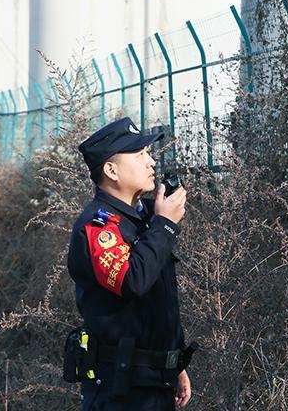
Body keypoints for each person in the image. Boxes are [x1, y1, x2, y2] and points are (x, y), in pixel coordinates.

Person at [66, 117, 195, 410]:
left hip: (154, 382)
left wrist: (174, 362)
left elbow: (161, 299)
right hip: (121, 390)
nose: (151, 162)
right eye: (140, 156)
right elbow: (131, 281)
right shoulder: (98, 227)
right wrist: (164, 226)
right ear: (111, 170)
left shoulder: (145, 217)